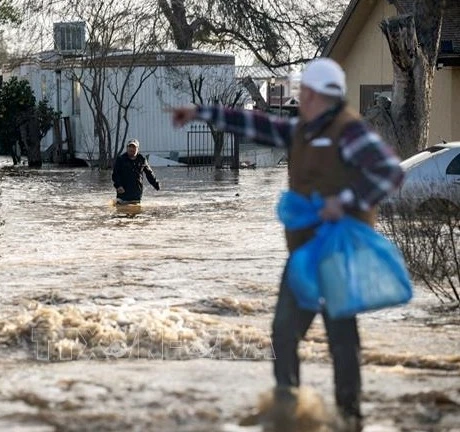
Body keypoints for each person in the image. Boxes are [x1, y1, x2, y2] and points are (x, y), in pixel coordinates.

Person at [170, 58, 404, 431]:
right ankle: (287, 408)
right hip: (303, 255)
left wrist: (344, 201)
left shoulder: (349, 131)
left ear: (320, 95)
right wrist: (201, 112)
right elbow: (258, 124)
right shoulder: (302, 131)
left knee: (342, 339)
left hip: (338, 255)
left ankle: (350, 417)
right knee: (282, 331)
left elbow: (391, 172)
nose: (300, 99)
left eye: (305, 93)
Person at [112, 139, 160, 204]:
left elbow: (149, 173)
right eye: (130, 147)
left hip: (136, 194)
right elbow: (115, 174)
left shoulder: (142, 159)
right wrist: (118, 186)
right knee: (121, 212)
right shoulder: (121, 159)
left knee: (136, 211)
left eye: (134, 147)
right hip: (123, 193)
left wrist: (156, 184)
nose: (131, 149)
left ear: (137, 149)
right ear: (127, 148)